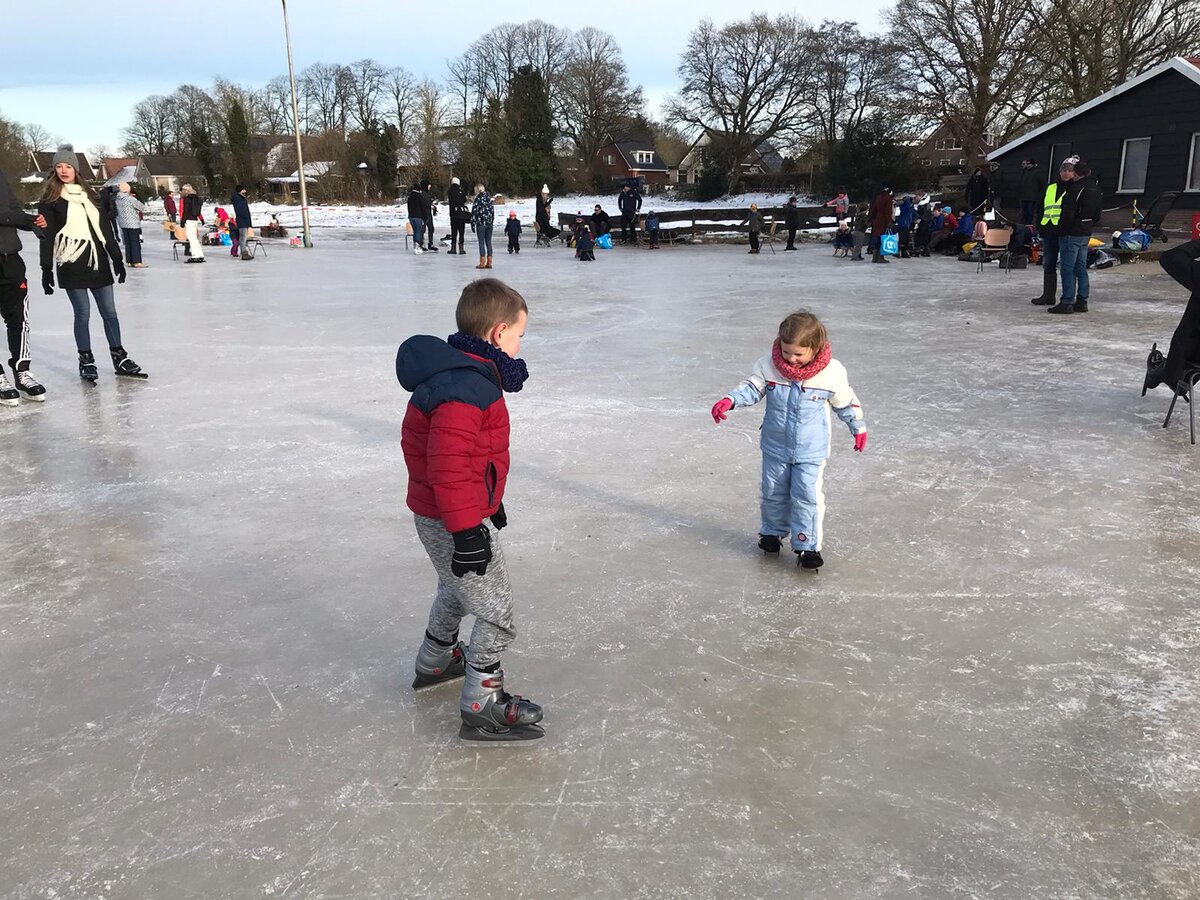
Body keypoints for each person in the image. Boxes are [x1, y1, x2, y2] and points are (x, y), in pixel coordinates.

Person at [396, 277, 543, 743]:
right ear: (499, 333)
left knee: (457, 590)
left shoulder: (464, 376)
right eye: (519, 335)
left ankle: (436, 659)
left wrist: (487, 506)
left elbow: (466, 462)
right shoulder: (467, 387)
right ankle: (484, 703)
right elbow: (449, 464)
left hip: (446, 513)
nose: (520, 345)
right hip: (452, 518)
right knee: (498, 614)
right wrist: (466, 529)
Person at [709, 309, 866, 571]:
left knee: (807, 496)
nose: (790, 359)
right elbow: (752, 387)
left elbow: (846, 402)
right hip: (775, 445)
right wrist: (730, 400)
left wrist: (857, 427)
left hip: (810, 450)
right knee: (773, 492)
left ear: (814, 349)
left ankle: (807, 545)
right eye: (785, 352)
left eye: (798, 354)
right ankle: (771, 532)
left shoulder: (831, 373)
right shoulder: (769, 366)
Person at [38, 144, 147, 382]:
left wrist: (117, 258)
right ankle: (86, 360)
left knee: (110, 312)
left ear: (75, 169)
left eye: (68, 166)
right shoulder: (50, 200)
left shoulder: (89, 196)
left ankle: (120, 357)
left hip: (98, 260)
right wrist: (46, 268)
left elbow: (104, 229)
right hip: (71, 260)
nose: (64, 170)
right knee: (83, 314)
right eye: (59, 166)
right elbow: (45, 236)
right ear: (54, 170)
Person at [0, 165, 49, 404]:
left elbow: (11, 210)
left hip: (10, 260)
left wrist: (32, 223)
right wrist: (25, 218)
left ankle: (22, 370)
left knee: (19, 319)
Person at [1144, 238, 1200, 395]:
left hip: (1192, 355)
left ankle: (1170, 374)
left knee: (1187, 346)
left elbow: (1170, 258)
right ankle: (1170, 373)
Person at [1051, 159, 1101, 315]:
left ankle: (1067, 301)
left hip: (1071, 232)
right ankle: (1082, 300)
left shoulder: (1075, 189)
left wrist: (1061, 229)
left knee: (1067, 268)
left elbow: (1068, 212)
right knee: (1081, 267)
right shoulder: (1095, 188)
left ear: (1076, 173)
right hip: (1086, 231)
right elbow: (1098, 213)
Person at [1031, 158, 1076, 306]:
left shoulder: (1075, 188)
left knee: (1067, 266)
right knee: (1048, 263)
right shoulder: (1050, 188)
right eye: (1064, 170)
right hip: (1049, 230)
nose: (1066, 173)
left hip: (1065, 232)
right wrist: (1039, 226)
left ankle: (1067, 297)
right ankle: (1048, 295)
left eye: (1070, 171)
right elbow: (1040, 206)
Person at [114, 182, 146, 269]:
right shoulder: (130, 199)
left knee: (128, 243)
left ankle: (129, 261)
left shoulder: (117, 199)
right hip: (133, 223)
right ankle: (137, 261)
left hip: (123, 223)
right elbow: (142, 207)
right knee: (135, 242)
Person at [869, 184, 894, 263]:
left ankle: (874, 257)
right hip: (883, 220)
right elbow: (887, 212)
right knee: (883, 239)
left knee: (877, 238)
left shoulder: (878, 197)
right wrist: (889, 222)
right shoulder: (888, 198)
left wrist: (872, 218)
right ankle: (880, 257)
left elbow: (873, 209)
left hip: (877, 219)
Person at [180, 183, 204, 262]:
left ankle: (195, 255)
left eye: (183, 190)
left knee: (191, 239)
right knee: (195, 239)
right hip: (195, 219)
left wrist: (182, 221)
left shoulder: (187, 199)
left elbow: (185, 211)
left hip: (189, 220)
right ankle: (200, 254)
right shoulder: (197, 198)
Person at [471, 183, 494, 269]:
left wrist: (473, 224)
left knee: (481, 243)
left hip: (481, 224)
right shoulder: (489, 199)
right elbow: (492, 212)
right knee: (488, 242)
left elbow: (474, 213)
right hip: (489, 224)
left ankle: (482, 262)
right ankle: (489, 262)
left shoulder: (478, 199)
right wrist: (491, 221)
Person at [231, 184, 253, 261]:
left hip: (244, 220)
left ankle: (244, 252)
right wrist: (245, 217)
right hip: (242, 220)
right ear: (240, 190)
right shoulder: (238, 198)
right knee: (243, 237)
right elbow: (240, 210)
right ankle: (244, 253)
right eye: (244, 190)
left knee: (243, 237)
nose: (245, 191)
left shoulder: (241, 198)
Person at [447, 177, 468, 255]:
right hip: (461, 214)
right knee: (461, 231)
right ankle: (461, 248)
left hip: (453, 214)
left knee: (454, 231)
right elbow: (464, 200)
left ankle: (453, 248)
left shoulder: (450, 191)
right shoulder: (461, 191)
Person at [1017, 158, 1041, 226]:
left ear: (1033, 164)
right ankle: (1023, 223)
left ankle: (1029, 224)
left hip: (1032, 196)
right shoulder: (1024, 172)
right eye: (1027, 164)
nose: (1027, 165)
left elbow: (1041, 183)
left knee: (1030, 211)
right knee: (1023, 211)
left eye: (1029, 164)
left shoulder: (1037, 172)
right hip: (1023, 195)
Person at [406, 181, 425, 255]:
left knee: (415, 231)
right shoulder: (419, 196)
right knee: (418, 231)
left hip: (411, 216)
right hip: (418, 216)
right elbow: (422, 207)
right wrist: (424, 216)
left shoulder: (410, 196)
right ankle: (417, 246)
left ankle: (415, 245)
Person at [422, 181, 438, 252]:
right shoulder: (422, 193)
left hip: (428, 213)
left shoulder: (427, 193)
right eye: (429, 185)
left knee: (431, 228)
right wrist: (430, 205)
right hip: (424, 214)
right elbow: (424, 203)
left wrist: (432, 206)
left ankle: (430, 244)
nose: (430, 186)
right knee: (423, 229)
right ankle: (421, 244)